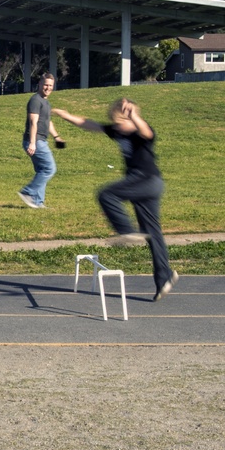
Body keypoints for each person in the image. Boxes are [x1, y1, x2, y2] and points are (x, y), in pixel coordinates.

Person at [53, 98, 178, 301]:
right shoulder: (117, 130)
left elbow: (147, 132)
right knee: (152, 233)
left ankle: (126, 230)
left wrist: (134, 116)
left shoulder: (140, 132)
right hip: (146, 185)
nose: (118, 128)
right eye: (116, 123)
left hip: (146, 180)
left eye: (121, 122)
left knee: (107, 194)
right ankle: (164, 278)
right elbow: (90, 125)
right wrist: (67, 116)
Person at [18, 73, 65, 208]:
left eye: (50, 85)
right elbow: (34, 122)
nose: (48, 88)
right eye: (45, 84)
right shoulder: (35, 100)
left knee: (42, 170)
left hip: (41, 140)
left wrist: (56, 137)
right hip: (36, 141)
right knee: (50, 169)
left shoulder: (46, 102)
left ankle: (38, 202)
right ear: (39, 84)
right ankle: (27, 192)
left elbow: (47, 122)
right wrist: (32, 143)